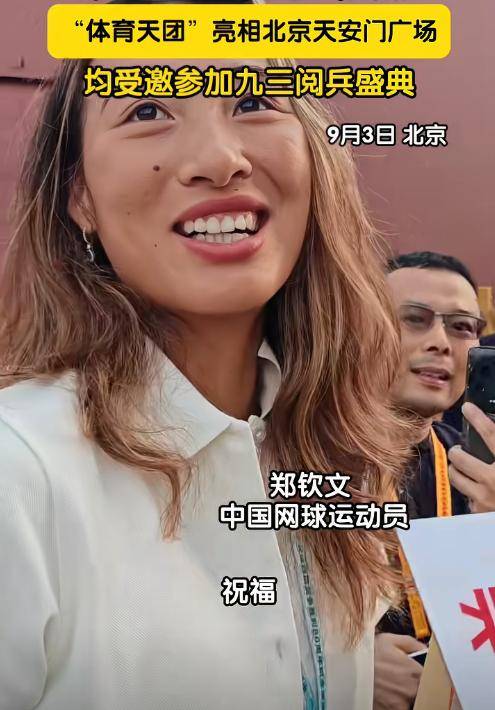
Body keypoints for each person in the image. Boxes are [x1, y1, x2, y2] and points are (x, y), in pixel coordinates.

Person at [0, 1, 413, 708]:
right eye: (146, 111)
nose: (221, 160)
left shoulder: (331, 451)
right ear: (80, 198)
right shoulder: (20, 474)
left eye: (252, 101)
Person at [373, 251, 487, 710]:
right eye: (415, 319)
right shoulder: (293, 459)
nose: (441, 342)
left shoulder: (478, 471)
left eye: (461, 327)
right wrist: (347, 666)